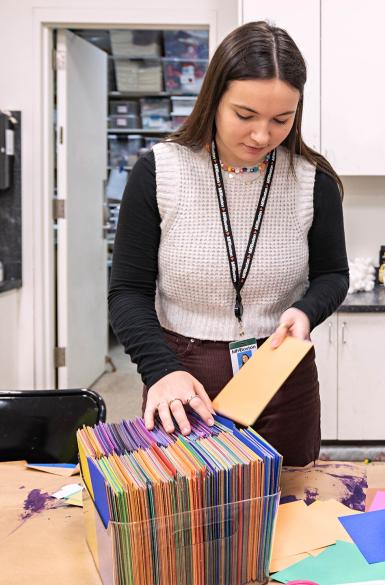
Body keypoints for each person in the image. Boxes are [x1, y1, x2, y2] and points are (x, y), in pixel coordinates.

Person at [109, 21, 348, 466]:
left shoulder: (311, 180)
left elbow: (333, 275)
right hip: (182, 373)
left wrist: (306, 310)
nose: (262, 136)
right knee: (185, 518)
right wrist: (162, 371)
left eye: (282, 119)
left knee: (292, 510)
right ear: (214, 98)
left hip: (280, 373)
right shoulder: (161, 172)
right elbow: (127, 292)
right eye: (245, 115)